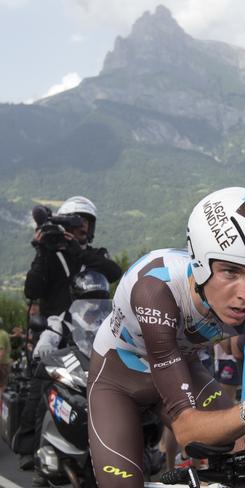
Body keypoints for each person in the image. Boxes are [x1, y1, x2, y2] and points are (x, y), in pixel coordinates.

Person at [87, 187, 245, 487]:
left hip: (182, 368)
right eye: (231, 271)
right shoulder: (155, 289)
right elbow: (187, 432)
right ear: (199, 262)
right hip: (118, 380)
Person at [16, 196, 122, 482]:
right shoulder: (50, 254)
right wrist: (42, 249)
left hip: (91, 335)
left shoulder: (94, 254)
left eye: (87, 222)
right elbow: (31, 289)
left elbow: (115, 273)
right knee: (42, 388)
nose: (83, 226)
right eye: (77, 221)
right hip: (56, 332)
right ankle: (33, 449)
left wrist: (77, 251)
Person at [0, 320, 11, 396]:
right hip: (4, 363)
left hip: (2, 364)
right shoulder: (4, 333)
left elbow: (1, 351)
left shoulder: (1, 335)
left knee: (1, 386)